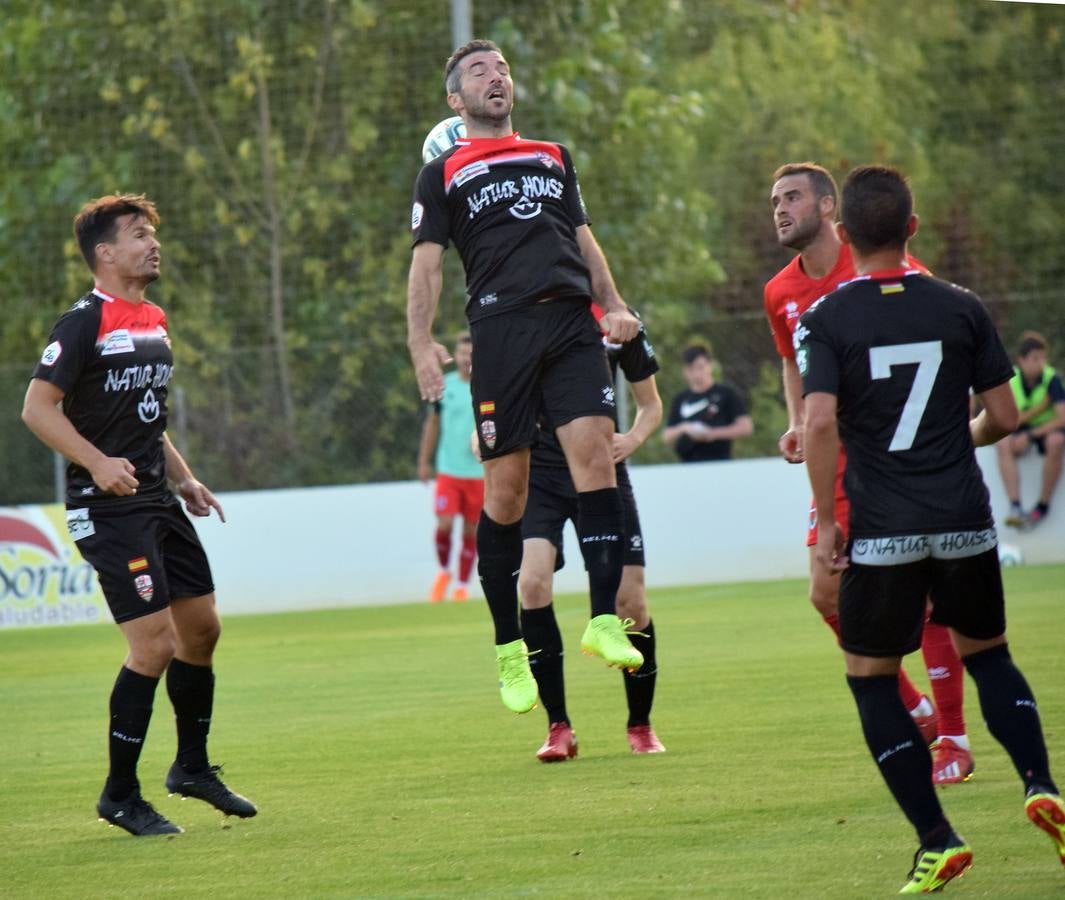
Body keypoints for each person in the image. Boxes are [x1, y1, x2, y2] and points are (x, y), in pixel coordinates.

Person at [798, 164, 1064, 893]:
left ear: (843, 232)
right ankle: (1041, 786)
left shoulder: (827, 318)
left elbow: (818, 421)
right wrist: (950, 440)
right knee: (991, 658)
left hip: (882, 531)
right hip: (964, 522)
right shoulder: (960, 307)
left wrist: (826, 521)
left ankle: (936, 839)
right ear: (910, 228)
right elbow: (1006, 419)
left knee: (871, 682)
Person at [406, 39, 644, 715]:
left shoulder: (552, 156)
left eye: (503, 68)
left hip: (571, 322)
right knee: (505, 495)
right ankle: (508, 648)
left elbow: (584, 241)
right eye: (479, 71)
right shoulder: (443, 173)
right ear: (456, 100)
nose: (496, 77)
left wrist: (616, 303)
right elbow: (425, 267)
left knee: (595, 457)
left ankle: (601, 620)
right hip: (500, 330)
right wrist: (420, 342)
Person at [21, 195, 256, 837]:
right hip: (108, 508)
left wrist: (185, 479)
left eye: (152, 232)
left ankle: (192, 767)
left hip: (156, 498)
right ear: (105, 254)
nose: (152, 243)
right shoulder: (81, 322)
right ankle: (120, 795)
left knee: (202, 630)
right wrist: (97, 463)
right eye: (137, 234)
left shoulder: (152, 317)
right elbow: (38, 410)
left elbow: (149, 419)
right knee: (152, 644)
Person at [763, 161, 974, 785]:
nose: (780, 208)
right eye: (775, 200)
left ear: (830, 208)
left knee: (931, 598)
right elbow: (792, 362)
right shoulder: (779, 291)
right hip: (837, 457)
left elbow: (932, 335)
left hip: (896, 457)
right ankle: (916, 707)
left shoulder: (883, 264)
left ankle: (954, 741)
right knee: (826, 591)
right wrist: (800, 419)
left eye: (793, 197)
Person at [520, 304, 665, 761]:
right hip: (540, 475)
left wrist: (633, 439)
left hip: (602, 474)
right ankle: (558, 727)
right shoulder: (514, 313)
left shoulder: (616, 318)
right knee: (532, 583)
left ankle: (640, 724)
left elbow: (650, 404)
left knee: (631, 600)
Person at [416, 331, 483, 602]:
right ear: (455, 356)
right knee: (444, 524)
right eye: (462, 353)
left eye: (471, 354)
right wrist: (423, 461)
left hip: (478, 472)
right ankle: (444, 571)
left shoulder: (486, 386)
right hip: (449, 470)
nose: (466, 358)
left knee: (471, 529)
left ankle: (462, 586)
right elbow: (432, 424)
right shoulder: (445, 386)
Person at [996, 331, 1065, 529]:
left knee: (1056, 442)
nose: (1041, 363)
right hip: (1020, 431)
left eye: (1043, 358)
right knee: (1003, 443)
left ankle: (1042, 506)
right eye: (1036, 358)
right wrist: (1040, 408)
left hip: (1044, 431)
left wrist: (1030, 435)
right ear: (1022, 360)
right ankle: (1015, 506)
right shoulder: (1010, 380)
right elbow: (1005, 419)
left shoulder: (1051, 379)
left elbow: (1062, 419)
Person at [662, 344, 752, 462]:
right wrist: (685, 428)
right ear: (685, 371)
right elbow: (667, 435)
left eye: (700, 367)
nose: (697, 374)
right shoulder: (680, 399)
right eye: (691, 369)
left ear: (710, 365)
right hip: (688, 464)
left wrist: (712, 434)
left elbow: (746, 427)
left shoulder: (726, 393)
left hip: (720, 461)